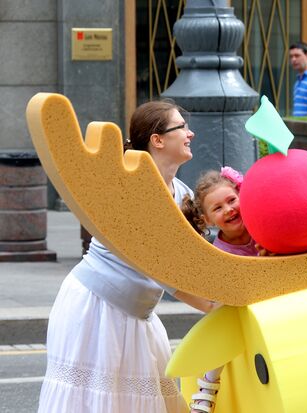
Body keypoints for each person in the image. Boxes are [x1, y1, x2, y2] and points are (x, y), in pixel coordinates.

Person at [38, 99, 216, 413]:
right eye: (182, 128)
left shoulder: (183, 193)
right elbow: (165, 268)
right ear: (158, 140)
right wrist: (214, 303)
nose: (191, 134)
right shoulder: (132, 187)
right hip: (95, 309)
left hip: (137, 314)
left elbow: (196, 258)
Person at [181, 166, 257, 413]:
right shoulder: (221, 253)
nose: (229, 209)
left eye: (232, 200)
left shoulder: (262, 227)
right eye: (218, 208)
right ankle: (208, 385)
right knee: (223, 319)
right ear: (207, 220)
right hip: (239, 308)